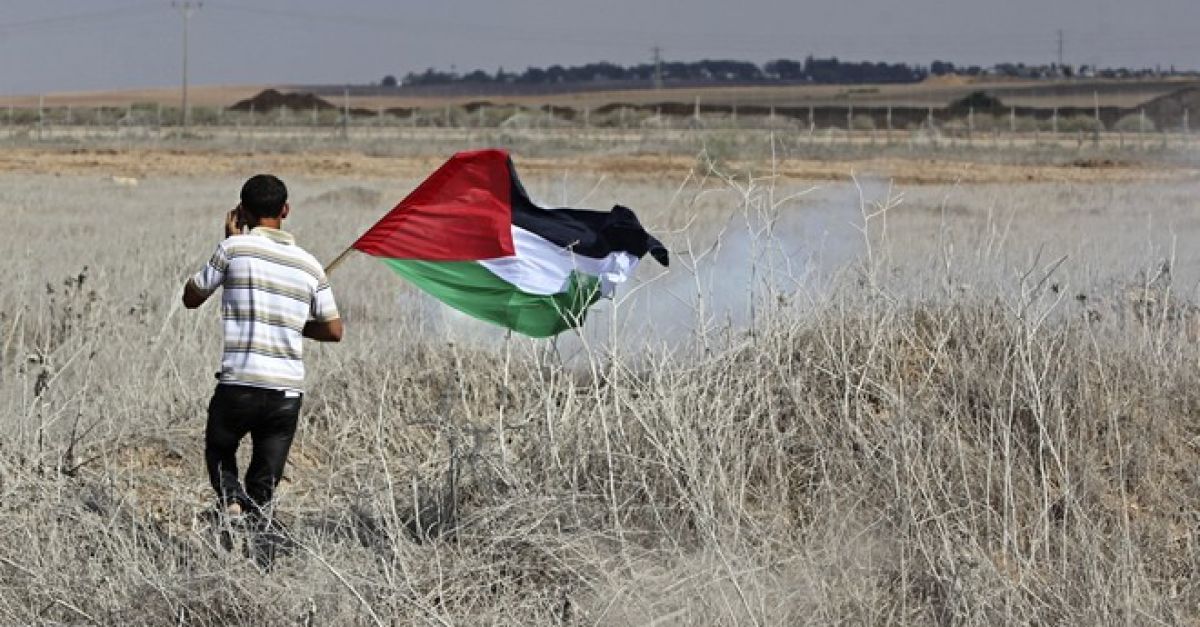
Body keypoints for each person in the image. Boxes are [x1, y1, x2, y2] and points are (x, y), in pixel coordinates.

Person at [182, 174, 343, 524]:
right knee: (264, 484)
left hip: (239, 383)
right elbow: (334, 330)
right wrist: (290, 320)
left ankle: (230, 503)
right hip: (286, 392)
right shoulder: (310, 265)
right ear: (286, 210)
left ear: (240, 211)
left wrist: (228, 243)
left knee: (220, 450)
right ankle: (253, 542)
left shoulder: (232, 250)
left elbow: (191, 297)